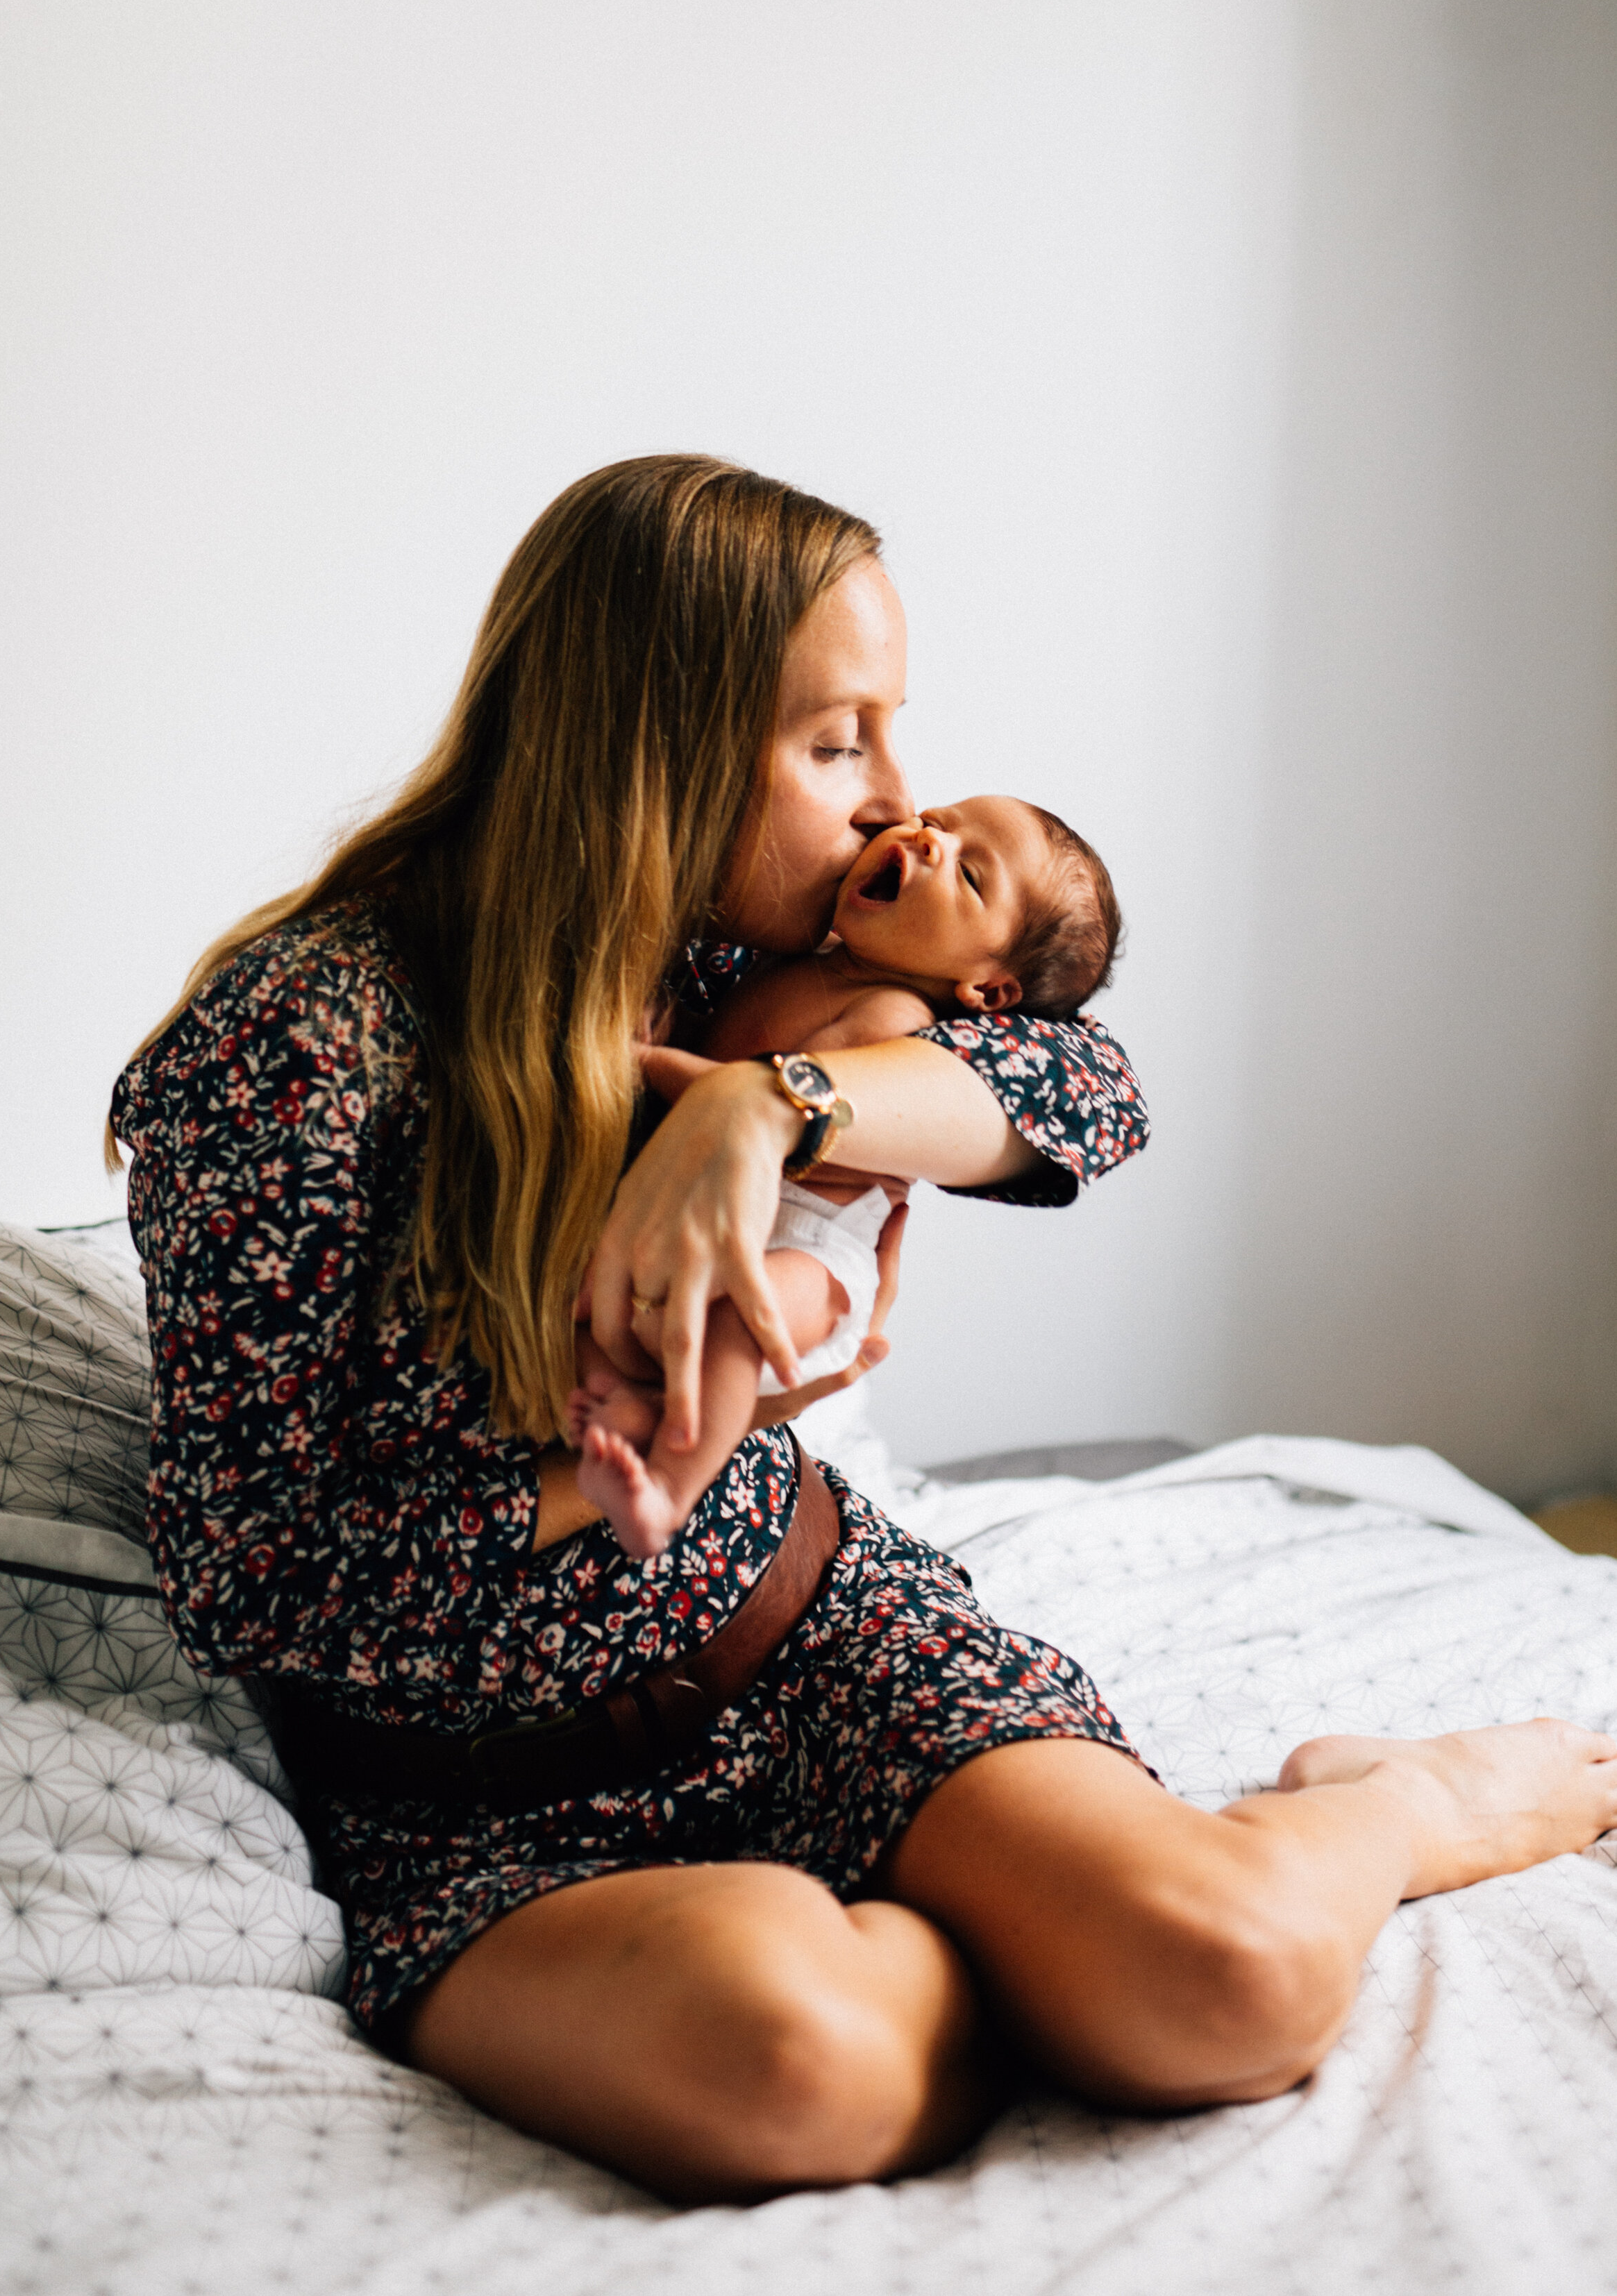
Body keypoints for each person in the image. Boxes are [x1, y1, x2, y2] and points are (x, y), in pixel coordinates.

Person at [108, 455, 1617, 2207]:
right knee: (795, 2060)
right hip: (474, 1803)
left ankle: (1398, 1803)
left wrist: (759, 1110)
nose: (894, 798)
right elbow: (250, 1573)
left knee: (1225, 1981)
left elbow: (1084, 1085)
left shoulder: (750, 975)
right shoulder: (295, 1046)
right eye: (839, 743)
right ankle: (1017, 1953)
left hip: (806, 1632)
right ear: (654, 745)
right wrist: (605, 1476)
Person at [570, 794, 1120, 1558]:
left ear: (987, 991)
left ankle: (670, 1486)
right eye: (938, 819)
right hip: (714, 1208)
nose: (927, 839)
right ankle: (628, 1410)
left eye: (969, 874)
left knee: (739, 1313)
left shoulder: (891, 1016)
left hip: (812, 1245)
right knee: (590, 1283)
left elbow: (779, 1124)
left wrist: (649, 1062)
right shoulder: (784, 959)